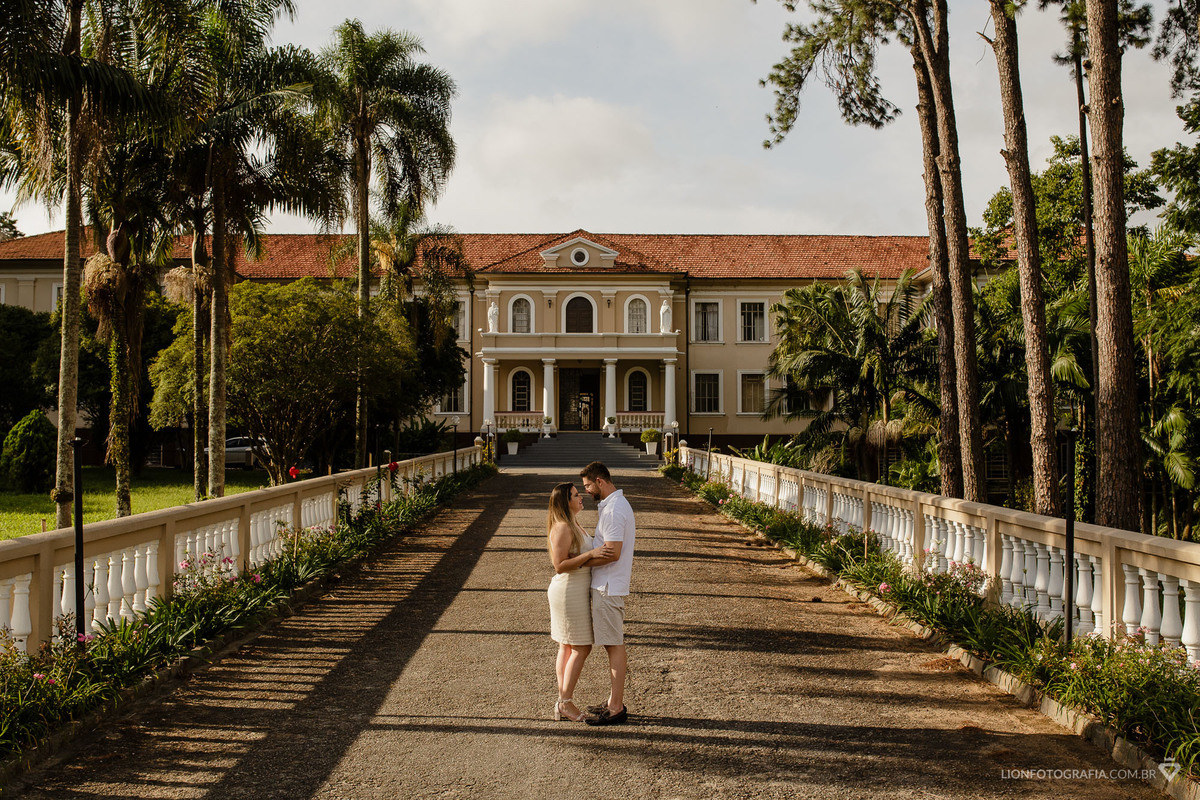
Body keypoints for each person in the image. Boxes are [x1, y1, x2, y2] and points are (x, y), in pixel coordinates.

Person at [546, 482, 613, 722]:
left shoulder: (573, 523)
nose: (581, 496)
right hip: (568, 591)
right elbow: (560, 565)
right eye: (576, 495)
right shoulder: (563, 526)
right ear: (566, 502)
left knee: (566, 646)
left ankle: (563, 701)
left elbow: (573, 557)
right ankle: (565, 702)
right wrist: (590, 555)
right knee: (581, 646)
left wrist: (584, 556)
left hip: (576, 589)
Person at [579, 461, 636, 726]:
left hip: (608, 587)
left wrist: (580, 561)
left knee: (614, 645)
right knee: (612, 644)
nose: (587, 491)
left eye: (588, 486)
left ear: (600, 482)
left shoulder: (613, 509)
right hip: (607, 585)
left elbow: (612, 552)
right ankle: (614, 701)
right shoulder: (613, 506)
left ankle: (616, 707)